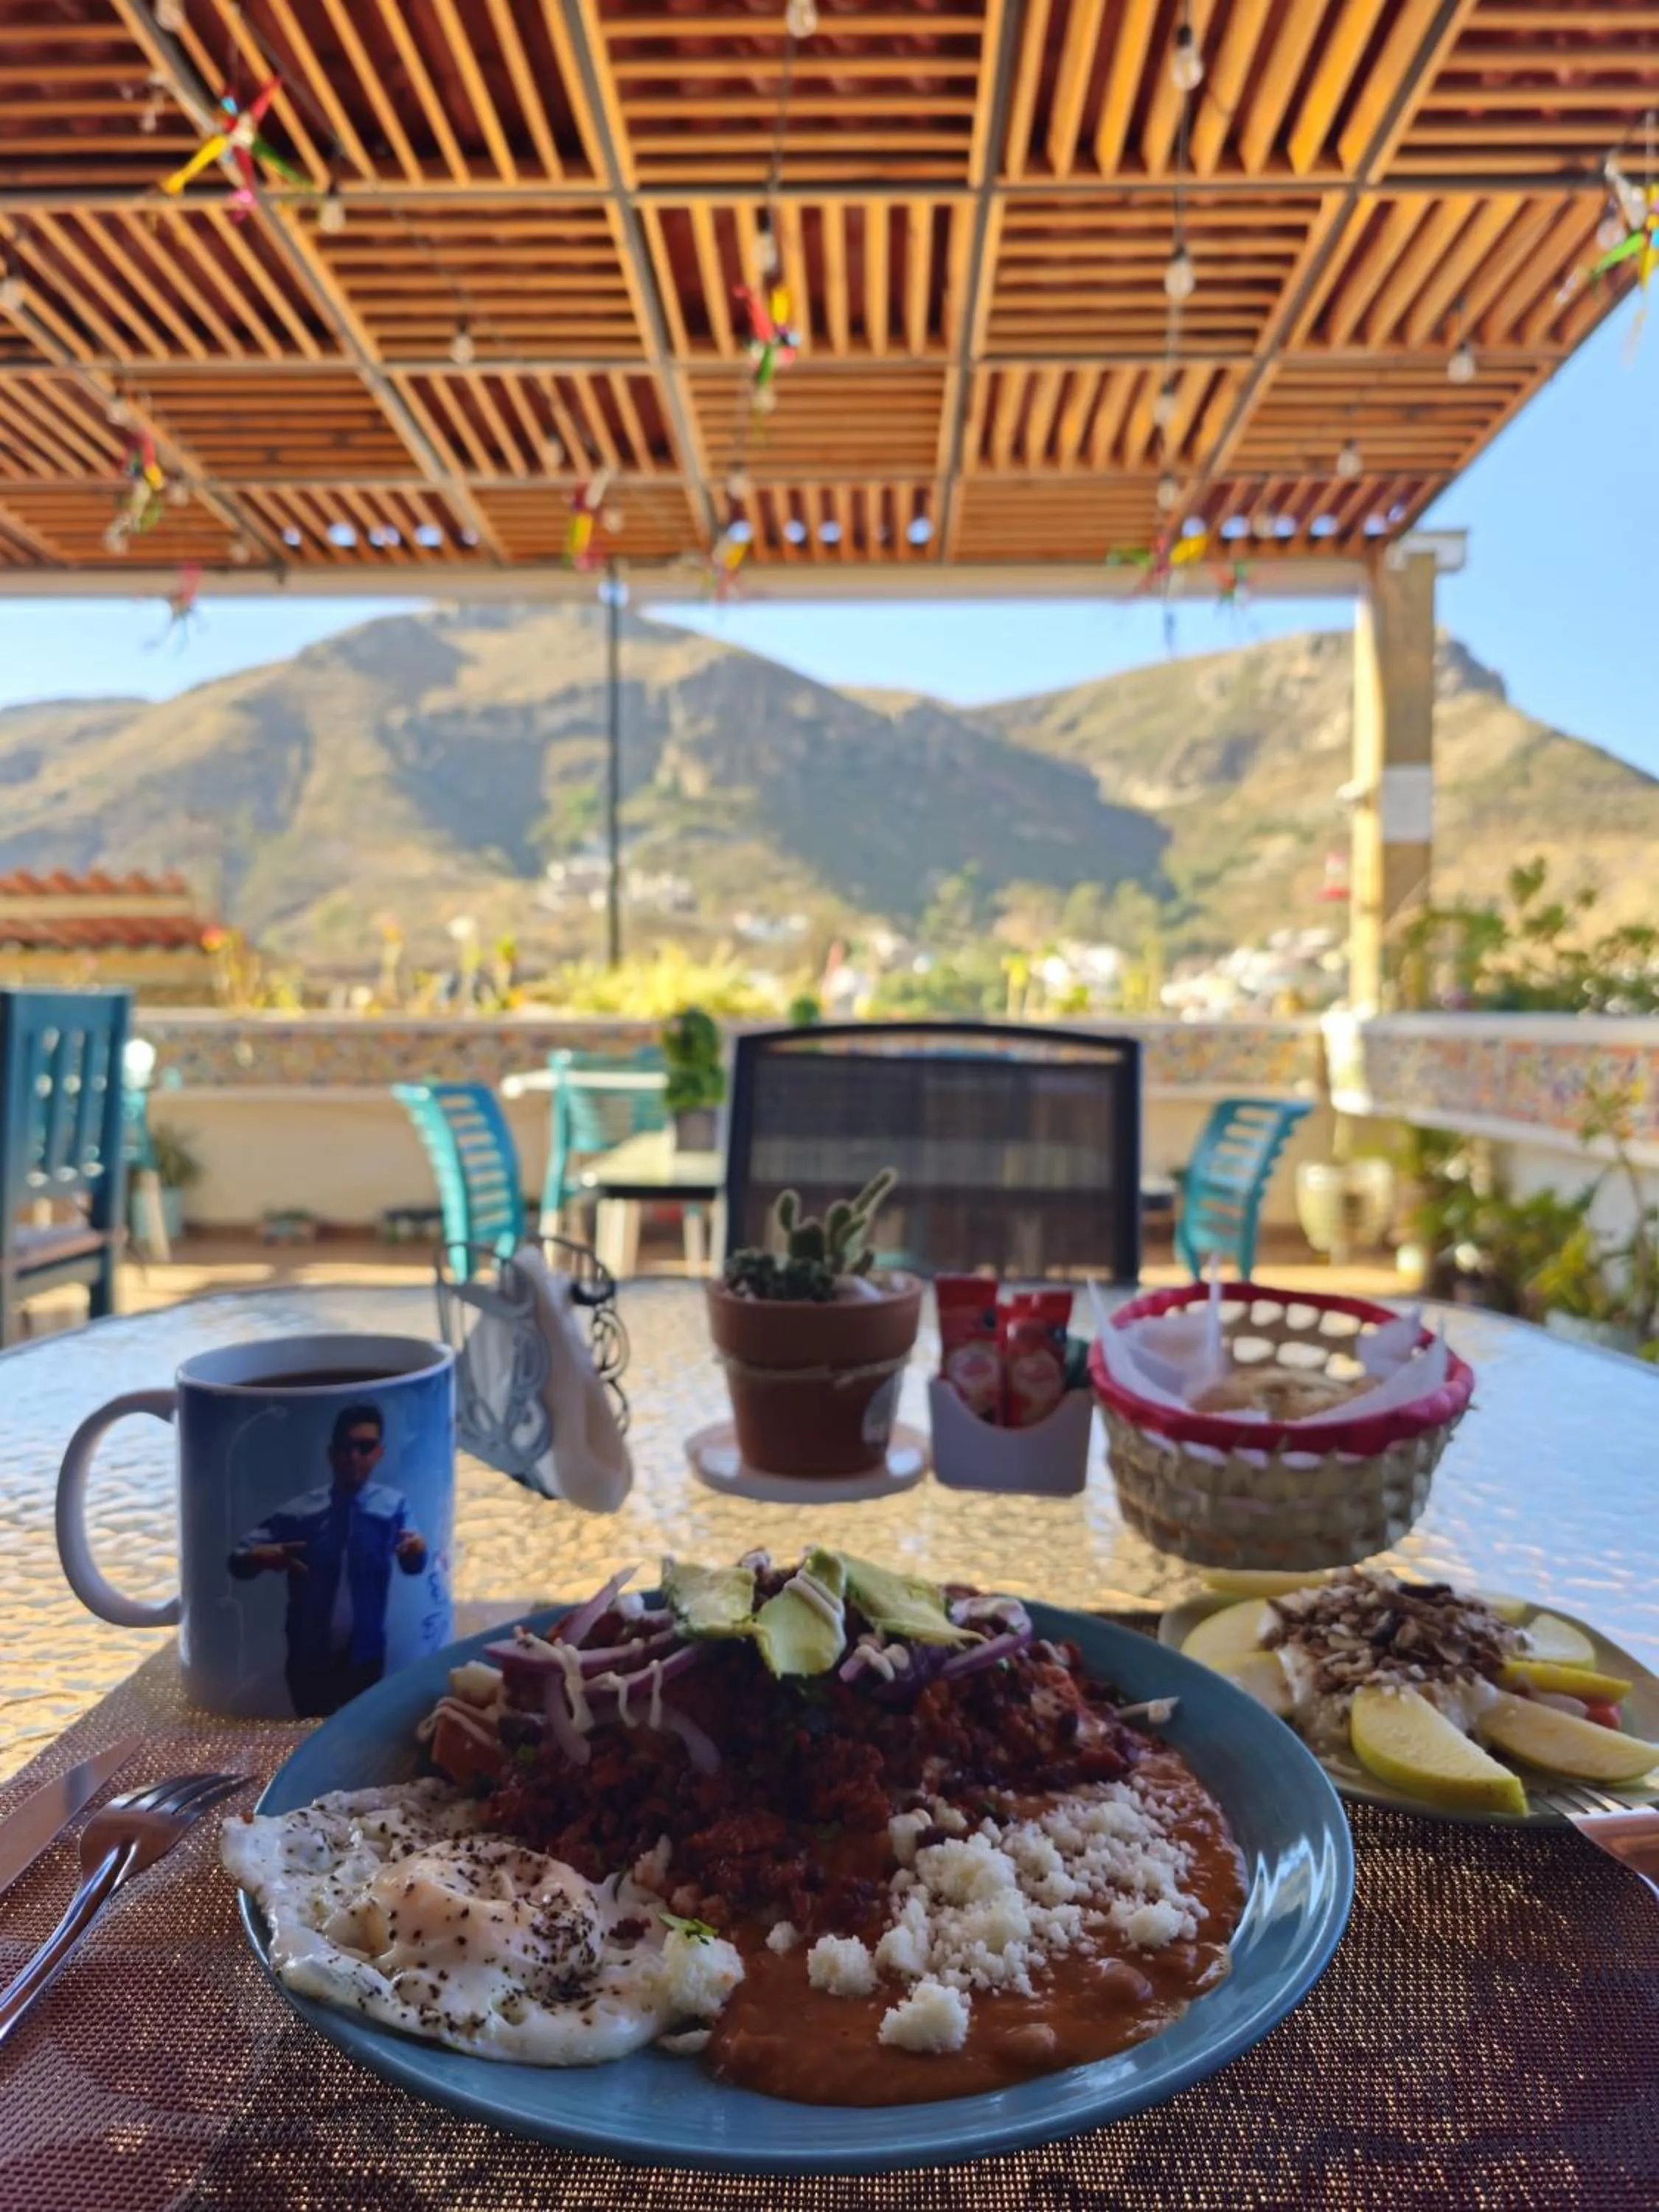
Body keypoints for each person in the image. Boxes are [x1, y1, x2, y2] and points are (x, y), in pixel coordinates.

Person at [228, 1403, 428, 1717]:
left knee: (361, 1737)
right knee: (311, 1740)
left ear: (379, 1453)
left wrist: (417, 1549)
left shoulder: (393, 1508)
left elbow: (414, 1562)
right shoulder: (299, 1512)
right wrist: (258, 1556)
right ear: (332, 1453)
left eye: (365, 1447)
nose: (354, 1457)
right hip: (309, 1658)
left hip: (366, 1654)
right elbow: (237, 1559)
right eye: (347, 1447)